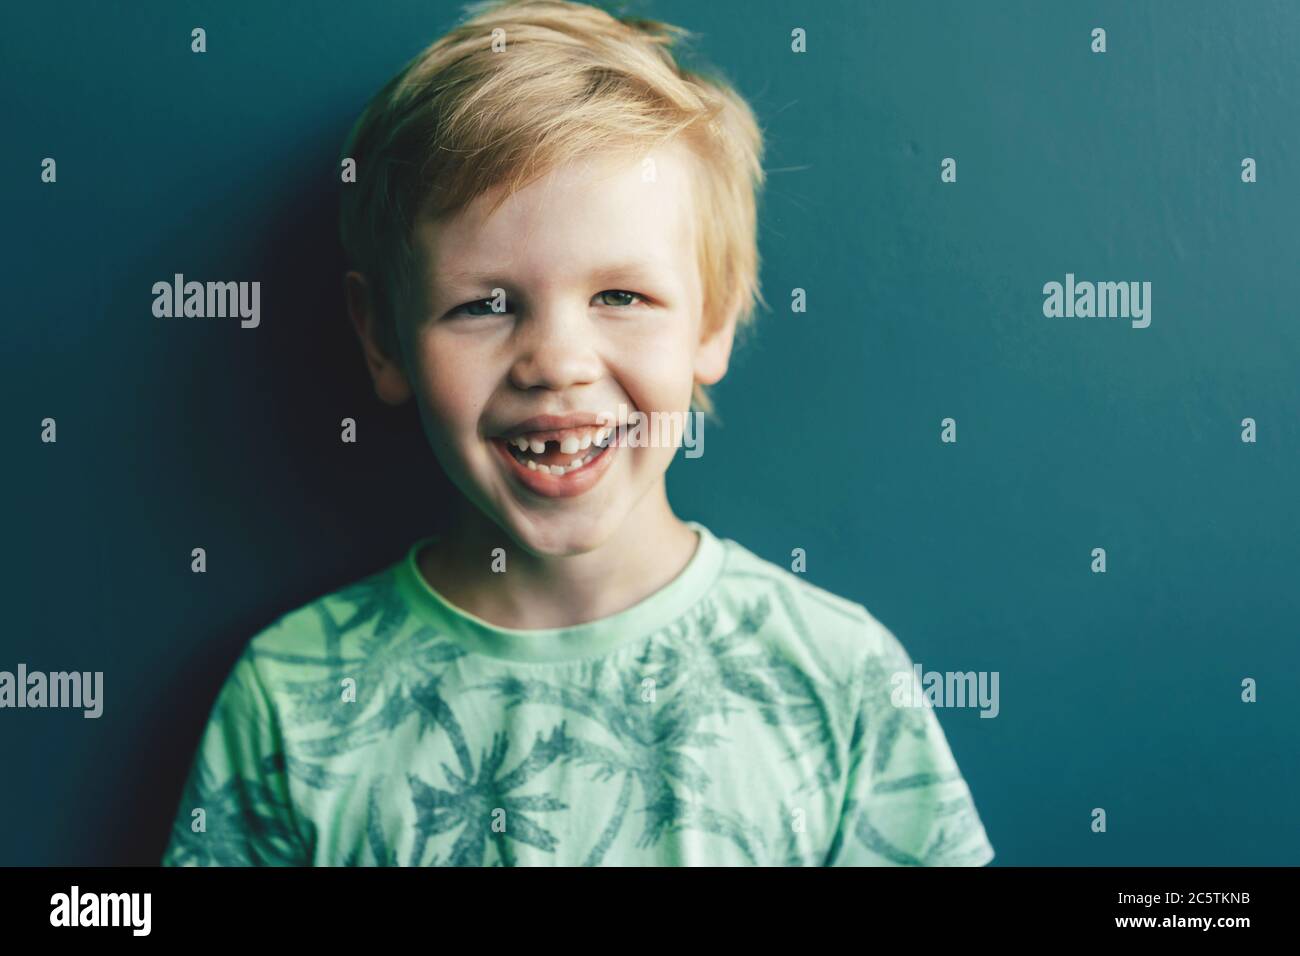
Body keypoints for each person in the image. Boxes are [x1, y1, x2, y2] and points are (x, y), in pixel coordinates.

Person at [162, 0, 994, 867]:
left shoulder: (839, 680)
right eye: (485, 304)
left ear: (710, 319)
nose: (556, 362)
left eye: (621, 297)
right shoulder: (289, 697)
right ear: (382, 338)